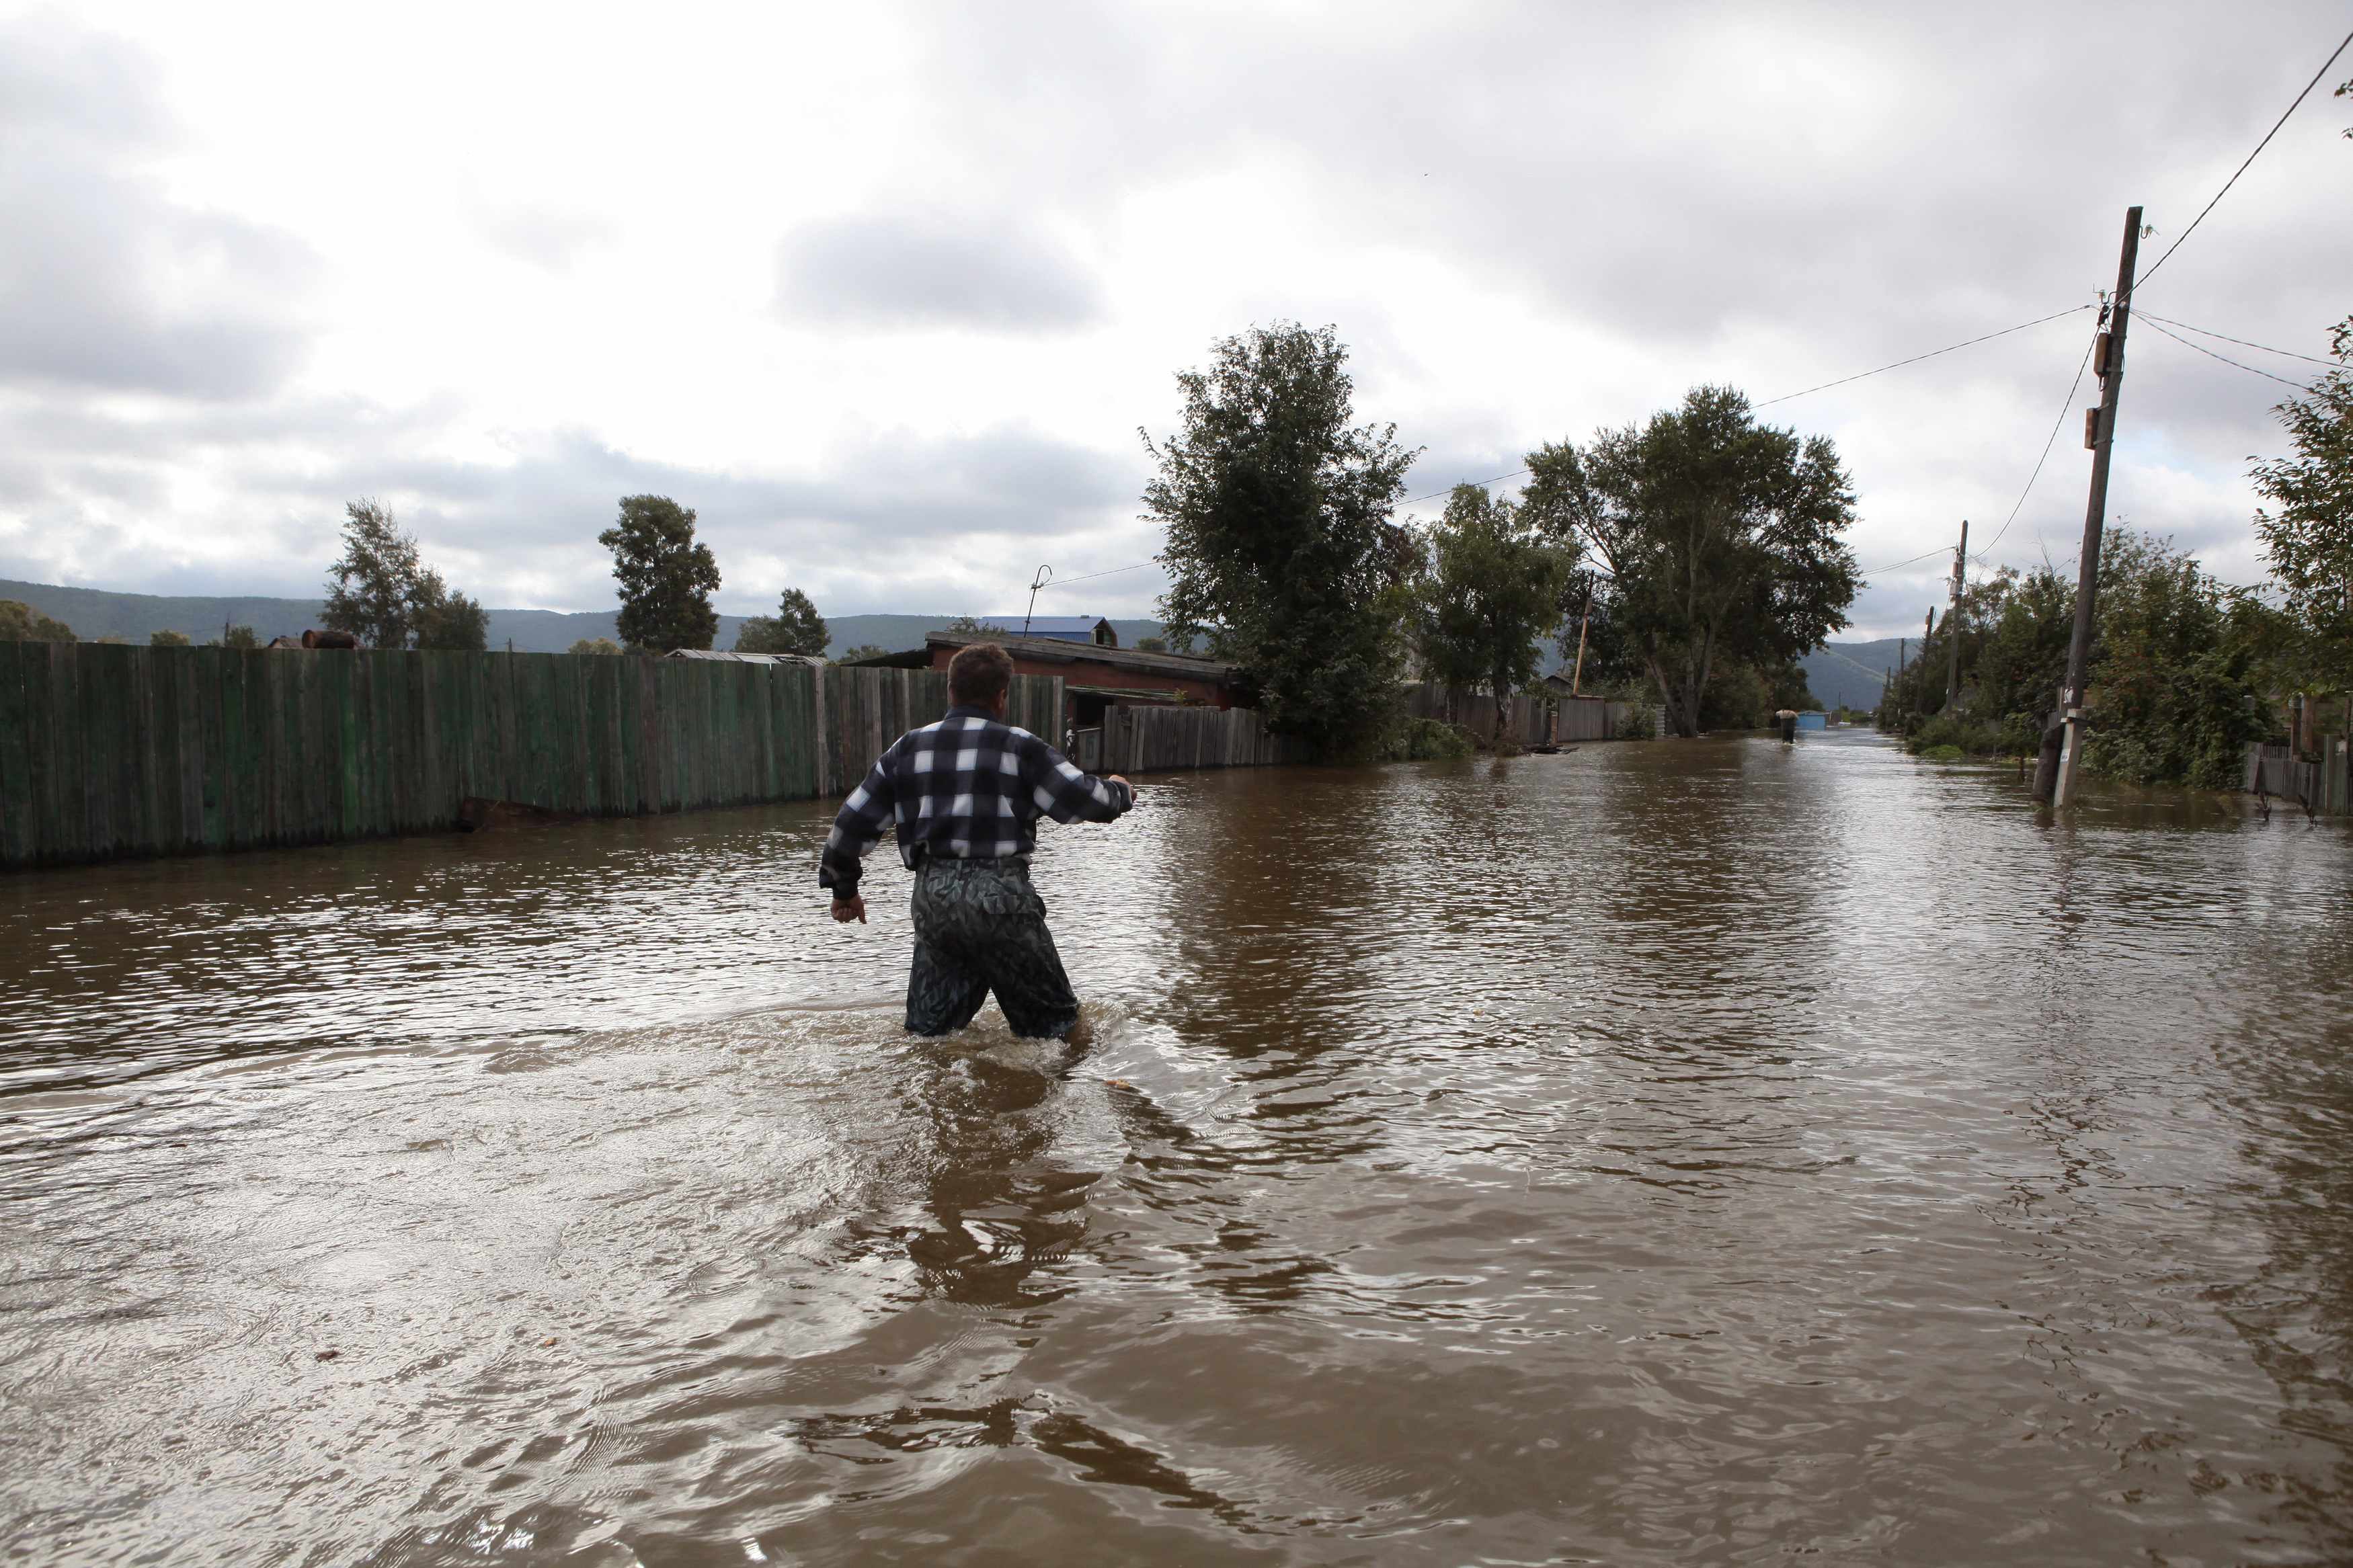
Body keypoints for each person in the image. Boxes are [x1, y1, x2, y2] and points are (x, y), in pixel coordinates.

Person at [820, 642, 1136, 1039]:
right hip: (1001, 897)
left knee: (929, 1039)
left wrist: (845, 889)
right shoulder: (1020, 746)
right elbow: (1087, 800)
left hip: (934, 901)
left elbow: (848, 827)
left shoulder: (907, 749)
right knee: (1062, 1034)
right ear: (1002, 696)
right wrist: (1121, 791)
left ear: (950, 691)